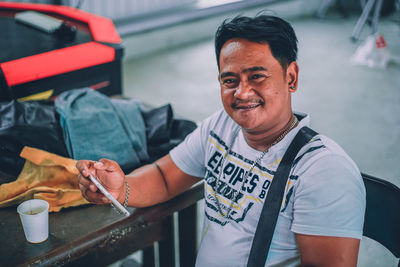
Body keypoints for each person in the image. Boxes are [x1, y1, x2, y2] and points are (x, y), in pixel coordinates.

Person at [77, 15, 366, 267]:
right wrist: (121, 187)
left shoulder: (324, 171)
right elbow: (166, 177)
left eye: (257, 77)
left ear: (291, 77)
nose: (241, 92)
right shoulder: (221, 127)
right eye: (229, 81)